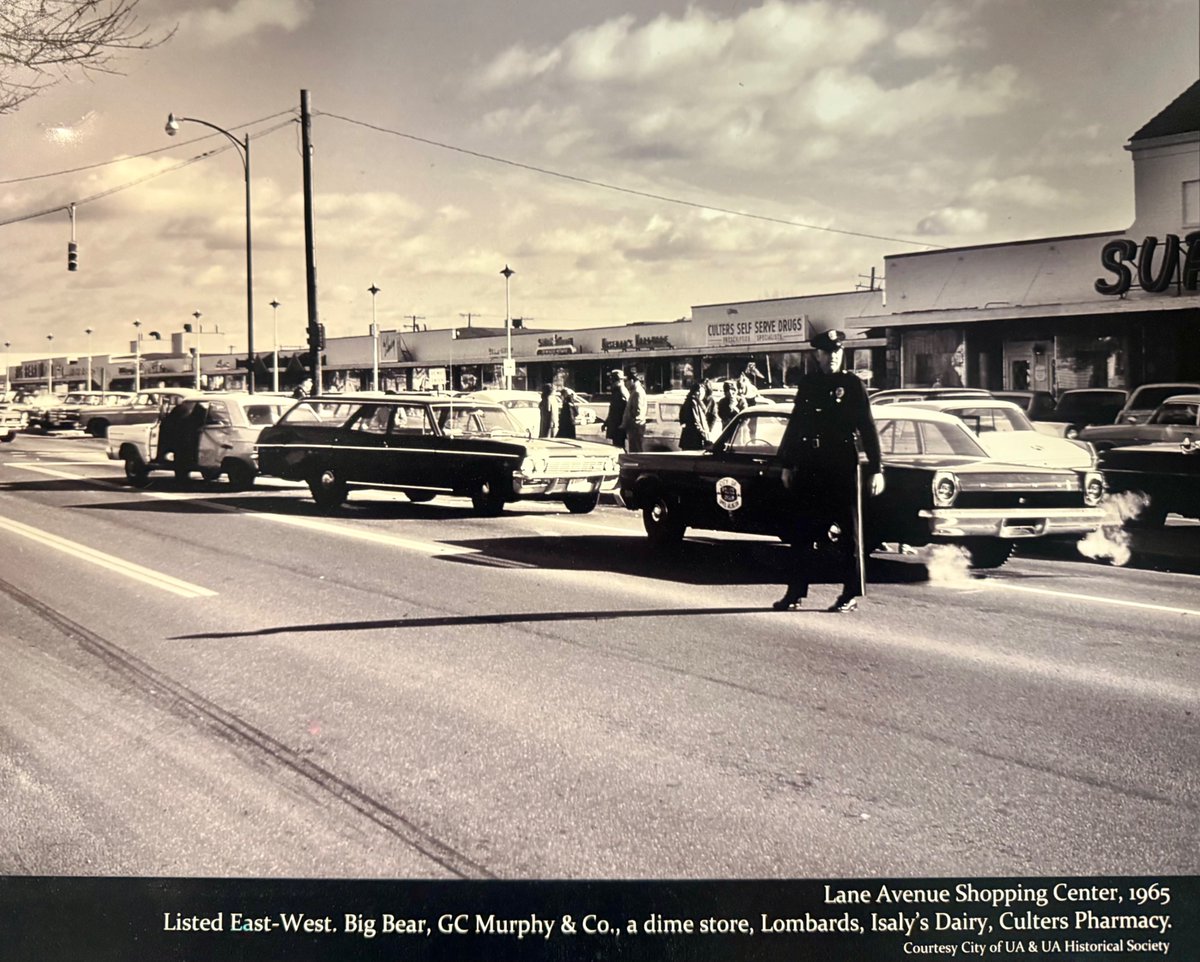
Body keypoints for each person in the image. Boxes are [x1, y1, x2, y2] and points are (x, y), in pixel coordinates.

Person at [773, 329, 884, 613]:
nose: (833, 357)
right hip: (811, 463)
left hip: (842, 463)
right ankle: (795, 592)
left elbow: (868, 428)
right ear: (818, 355)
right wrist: (787, 463)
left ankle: (850, 593)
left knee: (849, 532)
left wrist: (877, 467)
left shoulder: (852, 384)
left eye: (838, 352)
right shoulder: (809, 384)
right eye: (828, 352)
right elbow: (797, 424)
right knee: (802, 531)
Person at [679, 380, 716, 450]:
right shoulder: (692, 403)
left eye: (703, 392)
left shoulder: (695, 402)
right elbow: (696, 422)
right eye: (700, 391)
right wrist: (705, 437)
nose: (702, 394)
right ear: (695, 392)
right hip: (693, 439)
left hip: (693, 438)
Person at [621, 373, 648, 452]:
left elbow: (637, 411)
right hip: (636, 425)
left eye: (627, 381)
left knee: (635, 449)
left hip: (635, 426)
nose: (626, 384)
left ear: (632, 381)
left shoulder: (637, 392)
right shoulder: (636, 391)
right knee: (635, 448)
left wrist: (630, 422)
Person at [604, 370, 629, 449]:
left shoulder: (620, 391)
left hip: (618, 425)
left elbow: (623, 409)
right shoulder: (616, 391)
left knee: (619, 447)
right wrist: (607, 422)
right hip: (616, 424)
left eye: (612, 380)